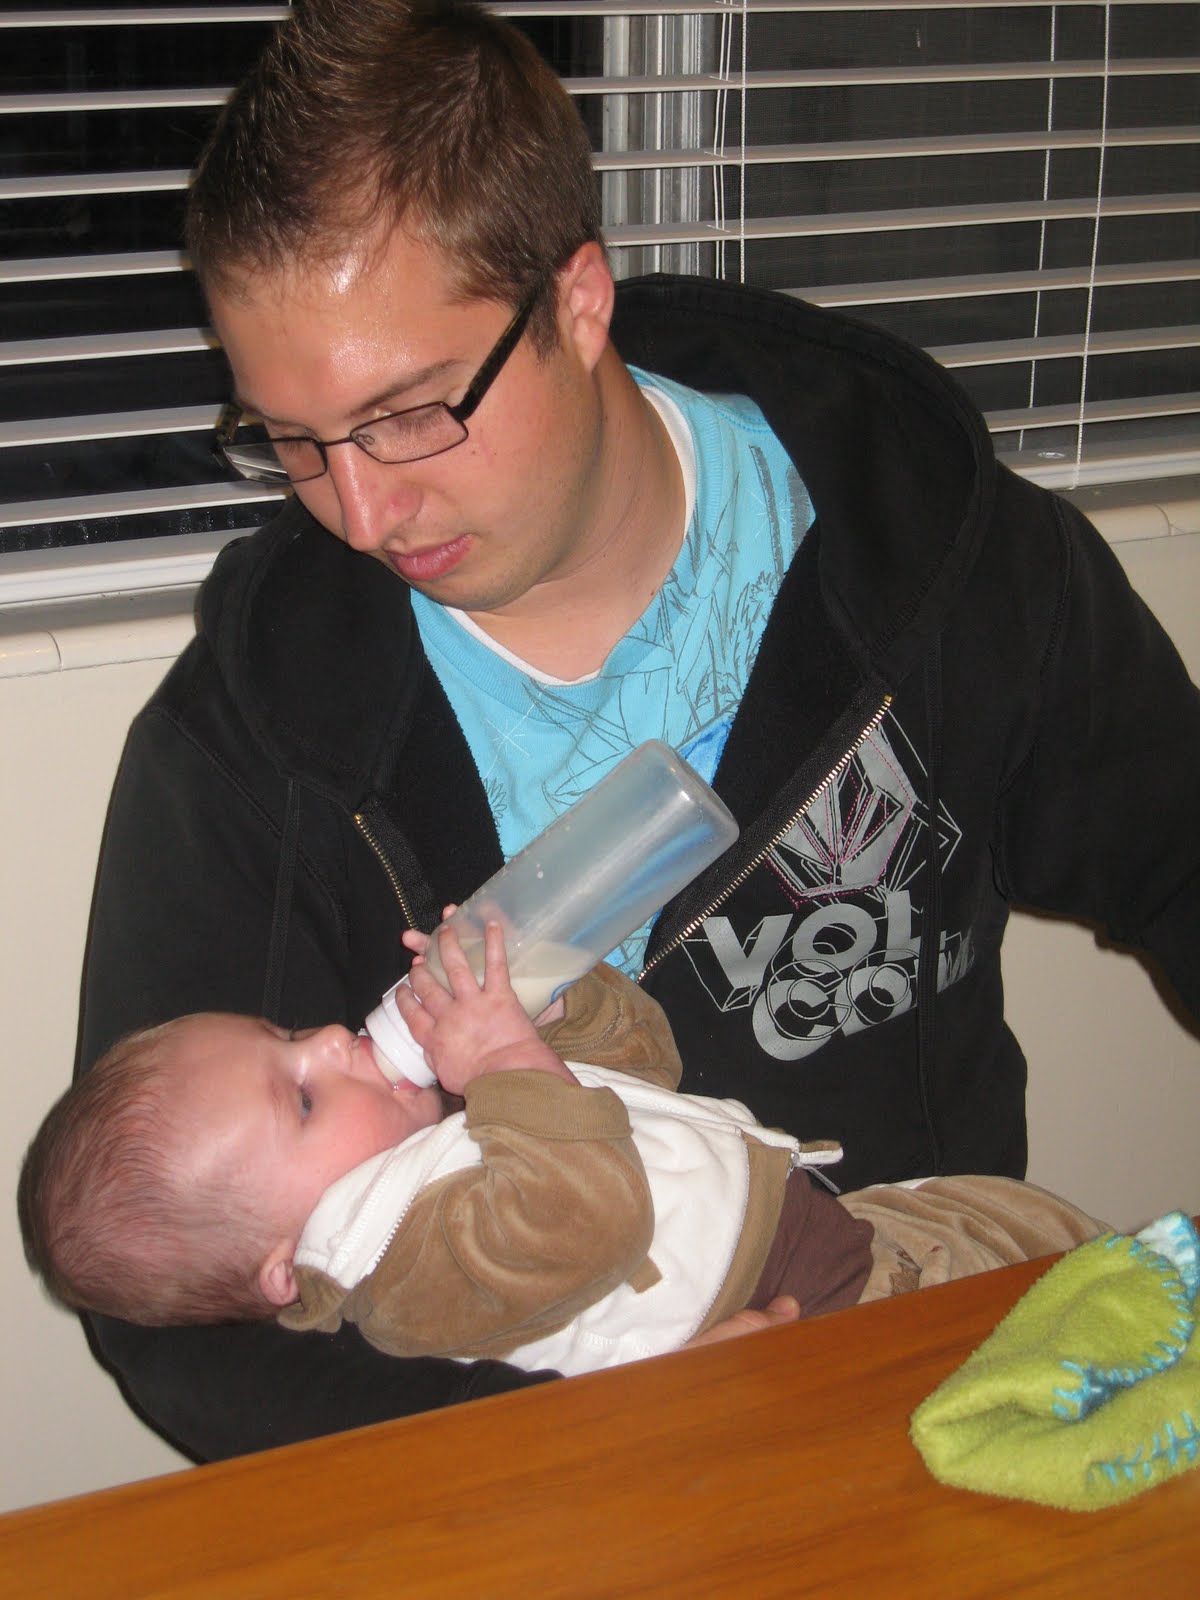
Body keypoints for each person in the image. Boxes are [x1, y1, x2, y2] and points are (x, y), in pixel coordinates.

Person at [75, 0, 1200, 1460]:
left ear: (579, 301)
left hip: (939, 1379)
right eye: (292, 440)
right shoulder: (251, 740)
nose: (361, 510)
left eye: (410, 413)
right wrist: (564, 1435)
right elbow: (170, 1313)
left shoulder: (939, 564)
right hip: (549, 1495)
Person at [26, 928, 1101, 1372]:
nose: (327, 1040)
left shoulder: (460, 1140)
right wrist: (502, 1059)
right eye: (302, 1097)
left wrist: (551, 1007)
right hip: (827, 1313)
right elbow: (589, 1214)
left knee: (1058, 1242)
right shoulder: (406, 1272)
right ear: (283, 1262)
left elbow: (642, 1077)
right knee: (1079, 1313)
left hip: (852, 1228)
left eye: (283, 1033)